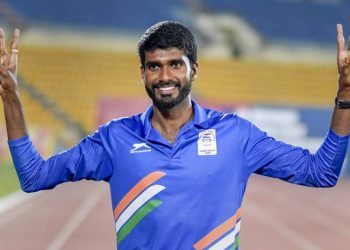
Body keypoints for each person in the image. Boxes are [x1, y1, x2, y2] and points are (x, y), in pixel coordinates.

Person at [0, 21, 350, 249]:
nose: (164, 76)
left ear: (193, 69)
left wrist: (345, 94)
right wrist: (11, 96)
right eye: (154, 66)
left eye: (175, 65)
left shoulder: (235, 135)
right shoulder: (114, 140)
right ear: (142, 73)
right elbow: (34, 177)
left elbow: (321, 173)